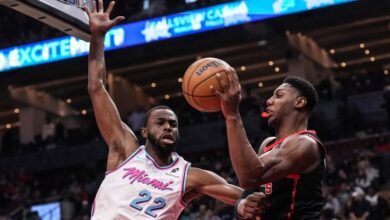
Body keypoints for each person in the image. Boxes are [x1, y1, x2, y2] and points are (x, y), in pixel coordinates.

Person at [84, 1, 262, 219]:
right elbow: (96, 87)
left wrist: (243, 205)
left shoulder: (189, 177)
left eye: (173, 124)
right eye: (160, 123)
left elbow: (244, 196)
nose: (168, 126)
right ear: (145, 132)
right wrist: (98, 38)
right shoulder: (125, 150)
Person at [213, 69, 326, 219]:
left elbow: (249, 176)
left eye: (279, 95)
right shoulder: (267, 144)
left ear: (299, 102)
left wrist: (232, 115)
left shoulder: (306, 144)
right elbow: (248, 192)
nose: (269, 101)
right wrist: (242, 206)